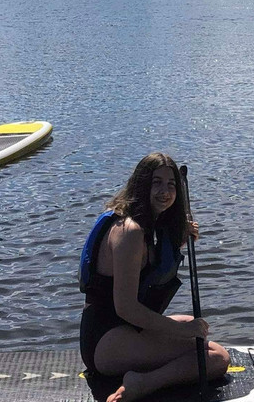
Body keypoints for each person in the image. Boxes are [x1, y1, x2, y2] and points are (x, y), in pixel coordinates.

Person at [79, 153, 230, 402]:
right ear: (141, 184)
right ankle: (144, 383)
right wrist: (180, 330)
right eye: (156, 183)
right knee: (217, 357)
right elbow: (126, 308)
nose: (165, 192)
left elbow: (150, 268)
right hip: (106, 341)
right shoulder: (129, 231)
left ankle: (151, 368)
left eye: (171, 185)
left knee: (196, 326)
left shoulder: (147, 224)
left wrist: (179, 237)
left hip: (122, 330)